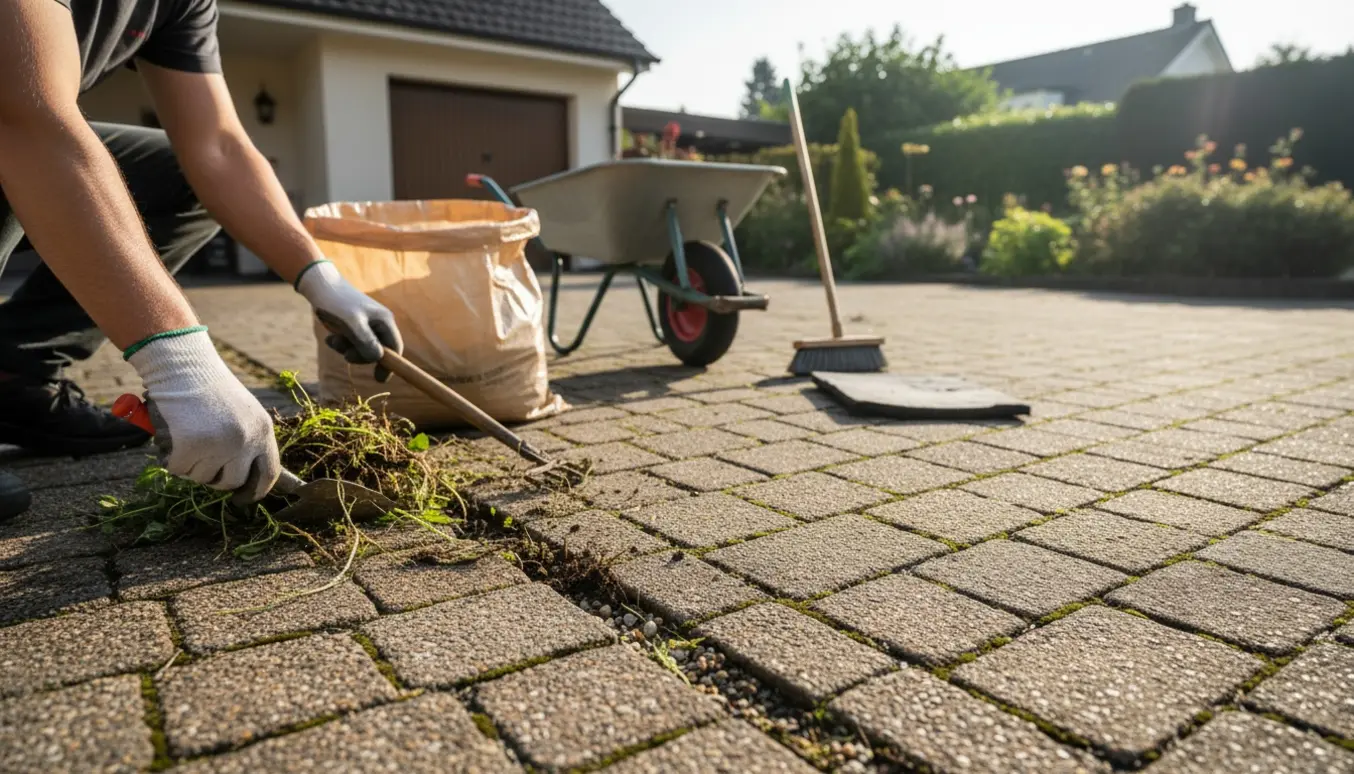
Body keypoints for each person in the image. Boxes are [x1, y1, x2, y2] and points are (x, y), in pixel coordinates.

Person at [0, 0, 403, 521]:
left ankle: (13, 373)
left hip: (24, 120)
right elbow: (23, 114)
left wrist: (321, 279)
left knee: (182, 179)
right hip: (15, 115)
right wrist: (180, 363)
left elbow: (216, 146)